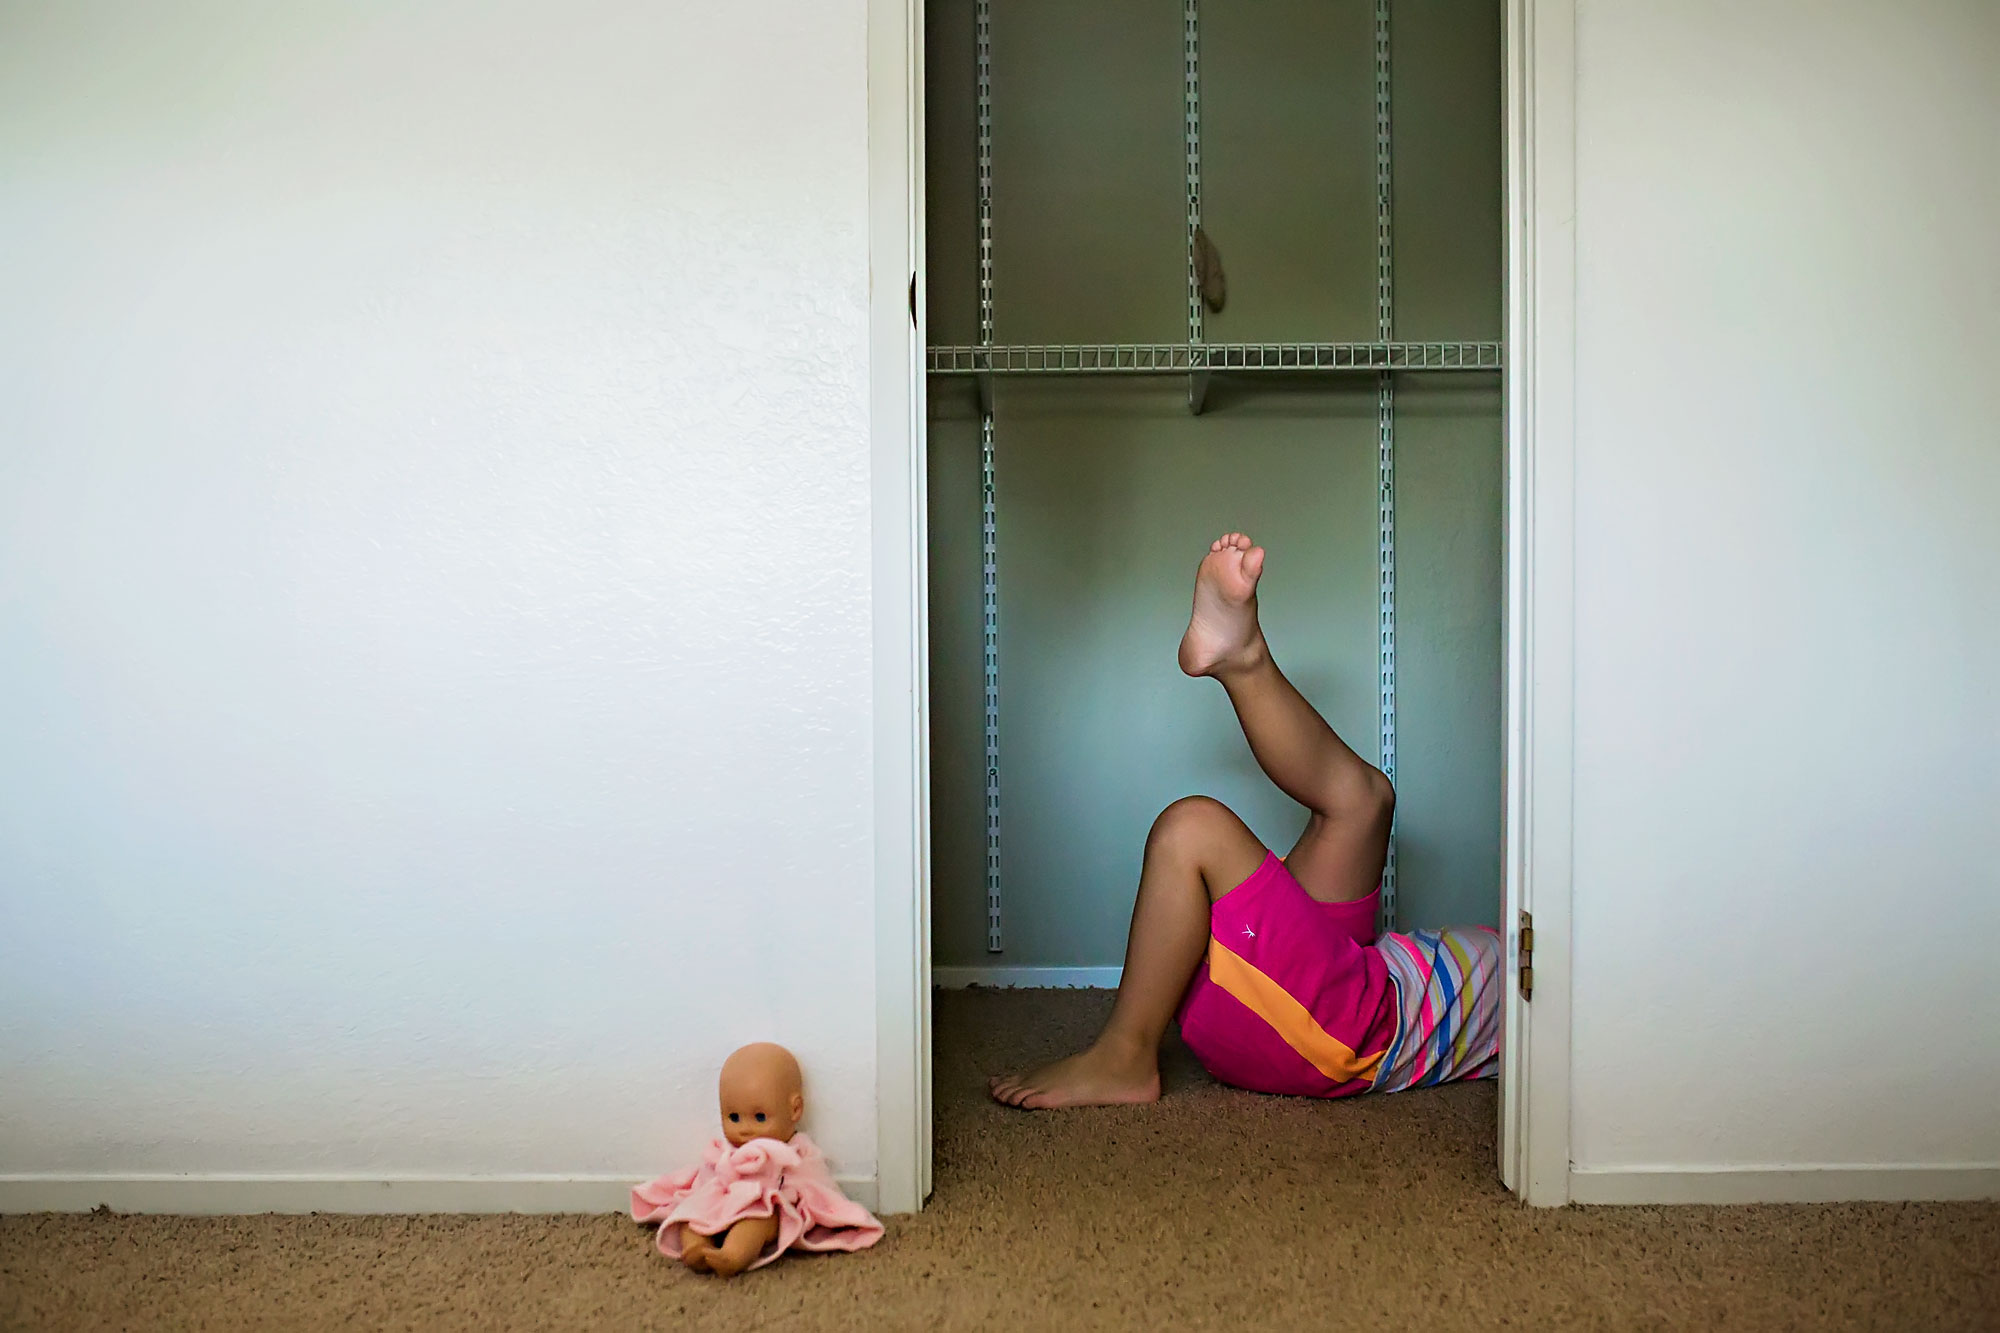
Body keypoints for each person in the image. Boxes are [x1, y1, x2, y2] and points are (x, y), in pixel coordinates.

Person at [989, 533, 1501, 1110]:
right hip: (1362, 978)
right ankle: (1242, 656)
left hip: (1354, 1031)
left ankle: (1124, 1055)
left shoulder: (1560, 992)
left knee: (1193, 832)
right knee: (1366, 800)